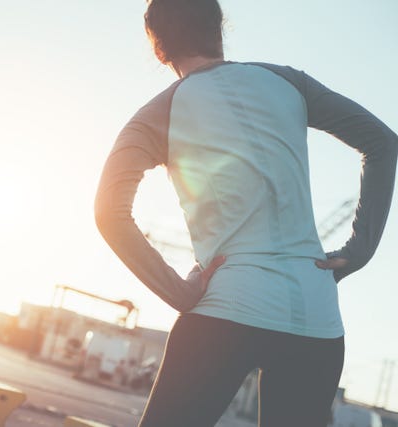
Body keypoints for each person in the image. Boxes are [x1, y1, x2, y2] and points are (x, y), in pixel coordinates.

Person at [93, 1, 397, 426]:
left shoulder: (156, 115)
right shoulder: (287, 81)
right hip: (317, 320)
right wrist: (360, 249)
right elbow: (383, 142)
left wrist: (177, 292)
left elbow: (109, 212)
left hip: (224, 310)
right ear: (219, 28)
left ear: (159, 49)